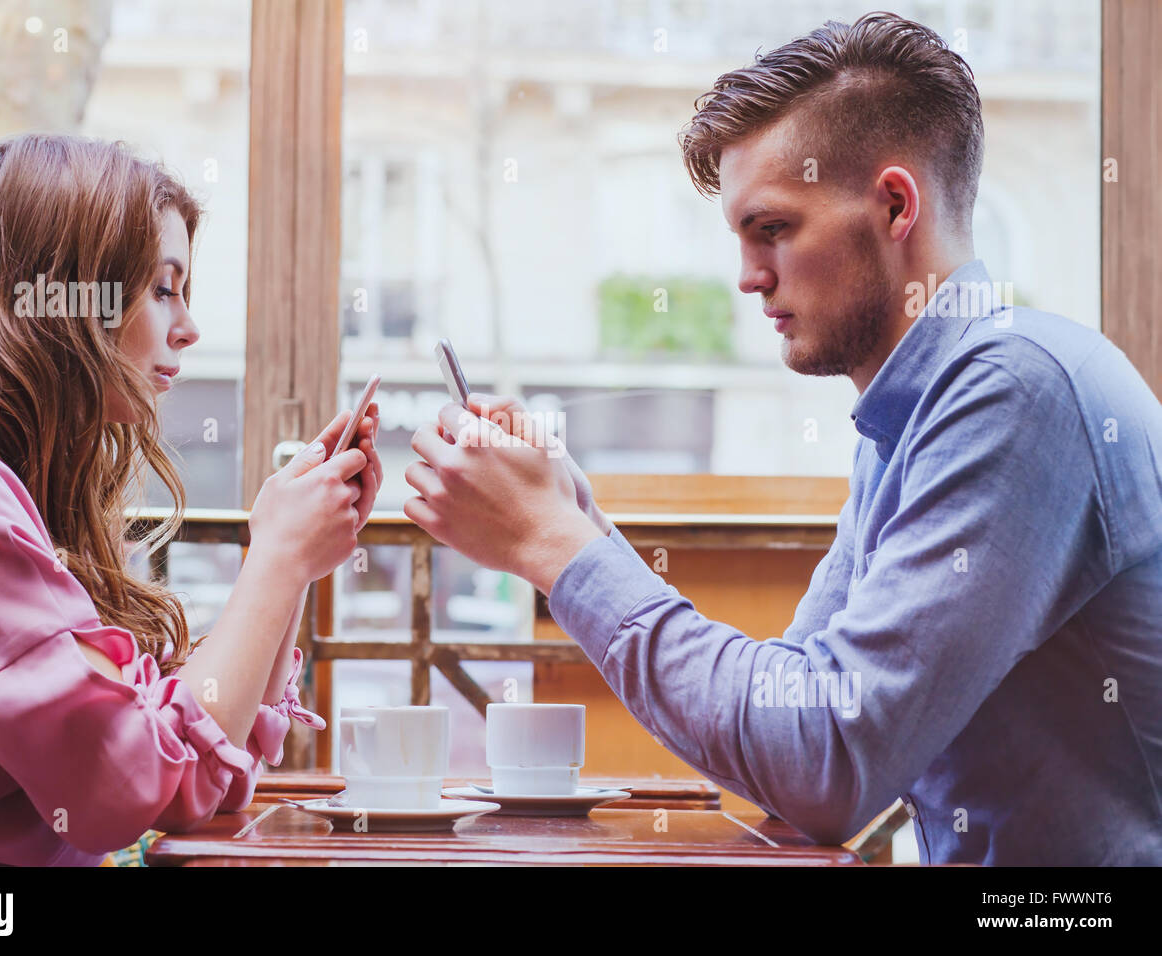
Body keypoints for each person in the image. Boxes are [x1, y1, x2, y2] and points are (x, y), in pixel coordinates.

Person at [403, 13, 1162, 865]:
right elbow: (791, 713)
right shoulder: (907, 421)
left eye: (773, 228)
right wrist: (575, 516)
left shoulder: (1016, 393)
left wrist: (555, 545)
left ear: (895, 206)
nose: (747, 276)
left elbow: (824, 762)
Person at [0, 132, 382, 865]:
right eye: (163, 289)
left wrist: (288, 558)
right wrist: (278, 559)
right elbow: (138, 782)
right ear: (62, 298)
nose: (188, 327)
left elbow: (203, 772)